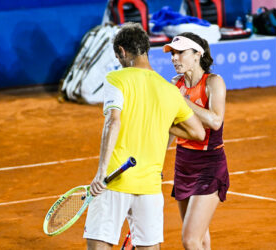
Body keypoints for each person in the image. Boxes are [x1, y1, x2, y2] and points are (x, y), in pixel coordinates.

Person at [83, 23, 206, 250]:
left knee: (98, 245)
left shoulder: (116, 79)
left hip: (114, 181)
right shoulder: (169, 90)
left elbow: (113, 122)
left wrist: (101, 173)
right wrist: (163, 123)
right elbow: (198, 132)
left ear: (121, 51)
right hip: (150, 186)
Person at [163, 33, 229, 250]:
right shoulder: (175, 84)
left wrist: (181, 100)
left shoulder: (213, 82)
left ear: (197, 54)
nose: (174, 58)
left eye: (180, 52)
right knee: (200, 238)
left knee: (190, 240)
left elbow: (215, 121)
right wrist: (155, 160)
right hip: (183, 165)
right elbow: (171, 129)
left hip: (209, 165)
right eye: (172, 53)